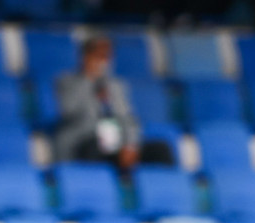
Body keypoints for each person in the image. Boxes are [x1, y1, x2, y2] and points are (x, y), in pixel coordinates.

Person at [53, 36, 175, 170]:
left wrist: (130, 145)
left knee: (161, 149)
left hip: (116, 141)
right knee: (94, 148)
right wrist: (89, 79)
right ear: (85, 56)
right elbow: (68, 111)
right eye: (98, 55)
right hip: (86, 139)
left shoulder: (116, 86)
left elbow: (128, 118)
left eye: (106, 56)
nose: (103, 61)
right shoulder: (67, 82)